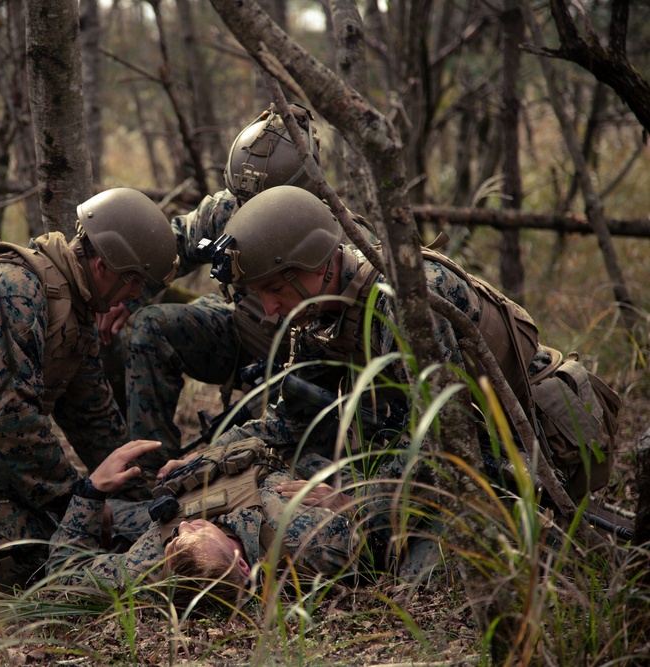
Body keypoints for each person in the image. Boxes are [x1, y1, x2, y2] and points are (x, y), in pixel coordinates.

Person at [187, 185, 622, 569]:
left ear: (314, 267)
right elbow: (288, 421)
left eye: (275, 292)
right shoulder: (322, 311)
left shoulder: (408, 299)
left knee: (414, 568)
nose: (270, 311)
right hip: (434, 453)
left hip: (520, 452)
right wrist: (207, 458)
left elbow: (443, 437)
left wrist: (361, 498)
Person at [0, 187, 179, 587]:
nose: (133, 297)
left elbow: (93, 419)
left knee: (74, 536)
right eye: (134, 283)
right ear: (106, 265)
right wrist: (78, 498)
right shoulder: (15, 292)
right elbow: (9, 421)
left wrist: (149, 491)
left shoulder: (75, 309)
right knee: (29, 557)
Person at [107, 103, 372, 472]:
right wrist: (129, 295)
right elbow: (171, 247)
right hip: (243, 333)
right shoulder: (226, 210)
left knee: (274, 454)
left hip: (311, 369)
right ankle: (150, 475)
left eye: (259, 203)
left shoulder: (340, 238)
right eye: (243, 200)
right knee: (152, 328)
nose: (246, 211)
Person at [45, 438, 362, 608]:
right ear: (240, 566)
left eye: (176, 538)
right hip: (291, 446)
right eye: (196, 530)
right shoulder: (308, 541)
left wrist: (91, 492)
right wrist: (348, 504)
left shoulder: (150, 567)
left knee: (53, 517)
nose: (184, 526)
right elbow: (388, 529)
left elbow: (61, 583)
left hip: (166, 497)